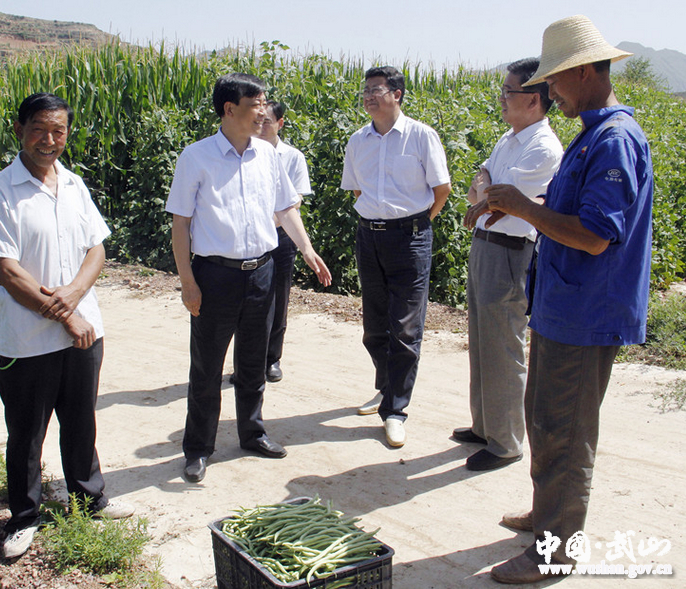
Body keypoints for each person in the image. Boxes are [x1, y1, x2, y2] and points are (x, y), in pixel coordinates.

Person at [483, 16, 652, 584]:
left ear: (582, 72)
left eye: (554, 79)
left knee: (566, 433)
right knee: (544, 419)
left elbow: (596, 235)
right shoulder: (593, 133)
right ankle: (546, 516)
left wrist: (521, 207)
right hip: (562, 306)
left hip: (586, 313)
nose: (550, 91)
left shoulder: (614, 140)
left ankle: (554, 552)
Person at [0, 93, 134, 560]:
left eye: (58, 131)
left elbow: (96, 249)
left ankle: (89, 498)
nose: (49, 140)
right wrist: (67, 314)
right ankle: (24, 518)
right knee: (27, 432)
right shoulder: (1, 192)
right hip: (27, 339)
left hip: (83, 331)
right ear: (20, 130)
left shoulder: (74, 185)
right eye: (39, 130)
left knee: (81, 420)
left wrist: (75, 294)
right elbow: (9, 272)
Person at [166, 73, 331, 484]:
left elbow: (286, 208)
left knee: (254, 361)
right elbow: (181, 223)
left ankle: (252, 433)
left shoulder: (268, 155)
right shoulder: (197, 157)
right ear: (229, 109)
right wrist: (188, 281)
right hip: (214, 275)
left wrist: (307, 249)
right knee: (207, 367)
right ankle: (198, 448)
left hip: (262, 272)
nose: (263, 111)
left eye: (263, 104)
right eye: (256, 104)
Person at [456, 58, 563, 472]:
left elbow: (500, 198)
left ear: (533, 99)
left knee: (503, 345)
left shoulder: (543, 147)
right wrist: (488, 191)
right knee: (482, 340)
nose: (501, 98)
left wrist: (489, 194)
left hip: (510, 250)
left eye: (508, 91)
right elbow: (479, 192)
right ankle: (485, 426)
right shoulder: (510, 138)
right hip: (485, 243)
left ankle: (506, 443)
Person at [342, 66, 451, 448]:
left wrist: (414, 225)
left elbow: (441, 189)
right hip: (369, 238)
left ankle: (395, 411)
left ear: (397, 94)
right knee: (374, 327)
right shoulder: (358, 140)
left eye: (377, 89)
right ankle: (387, 387)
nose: (369, 96)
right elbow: (357, 191)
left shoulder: (421, 136)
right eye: (366, 90)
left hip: (410, 239)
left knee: (405, 328)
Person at [258, 100, 312, 382]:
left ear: (280, 124)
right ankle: (248, 362)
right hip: (253, 235)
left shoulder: (292, 157)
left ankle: (272, 359)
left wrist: (274, 220)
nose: (261, 126)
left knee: (278, 298)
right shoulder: (246, 151)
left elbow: (296, 199)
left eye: (267, 122)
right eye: (258, 120)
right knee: (249, 301)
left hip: (282, 234)